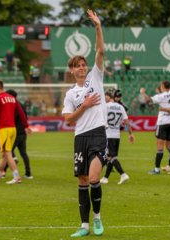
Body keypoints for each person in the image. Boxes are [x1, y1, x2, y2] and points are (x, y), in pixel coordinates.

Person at [61, 9, 106, 237]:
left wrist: (98, 26)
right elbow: (68, 120)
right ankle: (84, 226)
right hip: (80, 137)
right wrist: (85, 105)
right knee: (82, 180)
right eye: (77, 65)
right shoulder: (70, 93)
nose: (81, 67)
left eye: (83, 64)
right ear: (71, 70)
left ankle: (97, 218)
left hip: (98, 133)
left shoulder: (96, 77)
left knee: (95, 178)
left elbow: (100, 50)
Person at [140, 80, 170, 175]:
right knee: (169, 146)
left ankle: (157, 169)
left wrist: (142, 92)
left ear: (162, 87)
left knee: (159, 147)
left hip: (162, 123)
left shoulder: (161, 96)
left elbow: (147, 100)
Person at [0, 80, 32, 184]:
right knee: (4, 153)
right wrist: (26, 126)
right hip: (13, 129)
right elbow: (21, 113)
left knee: (7, 153)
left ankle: (16, 177)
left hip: (4, 129)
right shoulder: (13, 98)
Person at [100, 89, 134, 184]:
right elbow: (126, 121)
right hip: (117, 135)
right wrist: (130, 134)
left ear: (108, 96)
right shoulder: (120, 107)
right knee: (111, 156)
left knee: (109, 157)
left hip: (108, 134)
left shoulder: (105, 106)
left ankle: (123, 174)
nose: (104, 97)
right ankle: (105, 178)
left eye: (105, 96)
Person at [5, 89, 33, 179]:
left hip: (15, 133)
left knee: (7, 152)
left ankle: (3, 172)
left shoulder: (13, 105)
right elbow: (26, 117)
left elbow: (13, 118)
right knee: (23, 153)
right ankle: (28, 173)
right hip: (23, 133)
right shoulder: (23, 105)